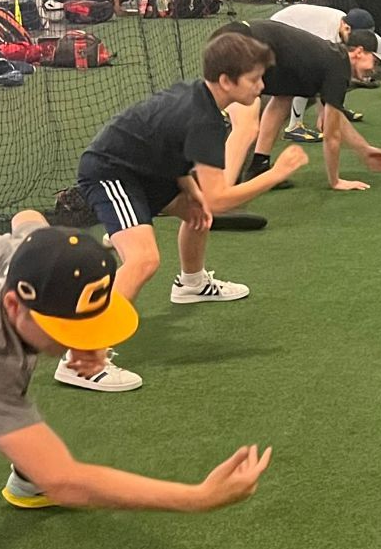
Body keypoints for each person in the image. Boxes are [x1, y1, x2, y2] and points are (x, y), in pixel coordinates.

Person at [0, 214, 274, 549]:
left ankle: (26, 478)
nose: (77, 341)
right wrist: (198, 498)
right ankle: (30, 473)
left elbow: (28, 217)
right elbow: (64, 481)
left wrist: (84, 337)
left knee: (18, 355)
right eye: (66, 329)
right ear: (13, 305)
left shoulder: (37, 252)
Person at [69, 32, 308, 391]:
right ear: (226, 80)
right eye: (255, 79)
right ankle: (82, 357)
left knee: (197, 212)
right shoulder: (204, 119)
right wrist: (276, 174)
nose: (262, 87)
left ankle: (192, 284)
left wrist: (191, 191)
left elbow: (167, 148)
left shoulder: (203, 100)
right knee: (144, 260)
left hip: (147, 169)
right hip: (111, 172)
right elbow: (222, 200)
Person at [214, 20, 381, 193]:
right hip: (242, 42)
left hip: (236, 37)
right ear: (359, 52)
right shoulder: (338, 69)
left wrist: (364, 149)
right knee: (246, 127)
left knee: (283, 98)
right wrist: (335, 181)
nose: (374, 70)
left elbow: (334, 119)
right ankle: (219, 196)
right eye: (375, 61)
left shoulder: (329, 60)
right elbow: (331, 135)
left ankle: (259, 166)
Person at [270, 4, 381, 140]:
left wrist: (332, 107)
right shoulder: (326, 35)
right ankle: (294, 127)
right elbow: (321, 74)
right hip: (280, 30)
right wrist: (324, 112)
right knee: (304, 77)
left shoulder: (344, 28)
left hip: (296, 29)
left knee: (338, 67)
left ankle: (339, 108)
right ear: (346, 27)